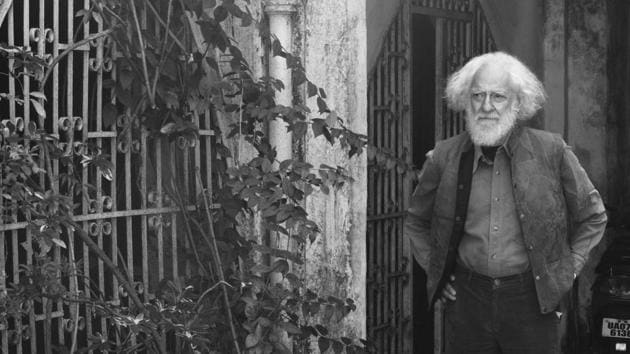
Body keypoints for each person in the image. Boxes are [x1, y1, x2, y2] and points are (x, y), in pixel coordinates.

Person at [404, 51, 607, 353]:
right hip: (467, 300)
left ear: (517, 102)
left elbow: (593, 216)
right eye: (477, 96)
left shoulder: (552, 150)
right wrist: (436, 269)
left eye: (498, 96)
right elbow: (416, 221)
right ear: (465, 100)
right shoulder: (444, 156)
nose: (486, 106)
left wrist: (567, 270)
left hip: (532, 299)